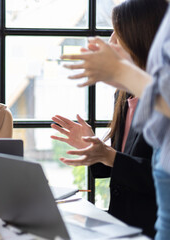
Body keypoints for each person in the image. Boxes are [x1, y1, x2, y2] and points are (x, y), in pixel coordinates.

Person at [51, 0, 168, 237]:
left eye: (118, 34)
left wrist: (109, 156)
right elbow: (120, 165)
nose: (110, 42)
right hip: (121, 225)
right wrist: (95, 149)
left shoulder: (161, 100)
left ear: (140, 38)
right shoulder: (123, 93)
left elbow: (157, 175)